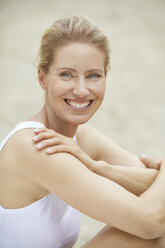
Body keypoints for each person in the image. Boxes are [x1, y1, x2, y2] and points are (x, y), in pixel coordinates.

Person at [0, 15, 165, 248]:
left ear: (105, 77)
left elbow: (154, 191)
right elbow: (151, 221)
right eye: (67, 74)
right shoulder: (37, 146)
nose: (81, 90)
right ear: (43, 78)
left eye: (93, 75)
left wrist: (99, 168)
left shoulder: (81, 137)